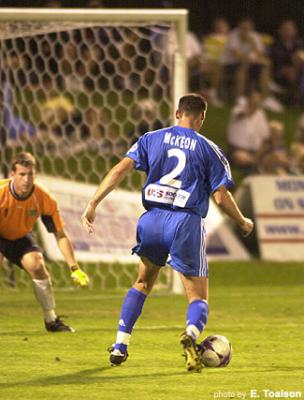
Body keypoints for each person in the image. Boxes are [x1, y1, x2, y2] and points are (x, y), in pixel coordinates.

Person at [82, 94, 254, 372]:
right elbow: (221, 199)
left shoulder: (151, 138)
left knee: (142, 282)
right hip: (184, 223)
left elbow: (120, 169)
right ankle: (191, 336)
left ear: (177, 113)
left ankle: (119, 345)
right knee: (197, 297)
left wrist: (94, 202)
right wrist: (243, 221)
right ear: (202, 117)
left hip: (151, 221)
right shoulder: (209, 149)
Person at [0, 152, 89, 332]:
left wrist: (74, 268)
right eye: (21, 174)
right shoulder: (1, 193)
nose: (26, 179)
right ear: (12, 175)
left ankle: (51, 319)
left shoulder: (43, 199)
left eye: (30, 174)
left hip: (20, 236)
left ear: (35, 174)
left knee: (37, 264)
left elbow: (60, 235)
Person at [227, 91, 269, 174]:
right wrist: (252, 109)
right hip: (236, 150)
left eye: (258, 100)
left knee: (273, 159)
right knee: (243, 159)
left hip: (256, 152)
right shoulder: (238, 109)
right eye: (254, 100)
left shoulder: (261, 114)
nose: (256, 102)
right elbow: (241, 115)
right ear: (249, 100)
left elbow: (265, 138)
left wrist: (257, 156)